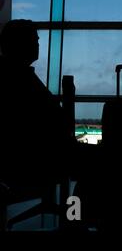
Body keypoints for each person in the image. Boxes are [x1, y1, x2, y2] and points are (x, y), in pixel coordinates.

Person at [0, 19, 75, 184]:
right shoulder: (20, 79)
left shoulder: (16, 75)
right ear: (18, 43)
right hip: (36, 163)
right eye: (34, 40)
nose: (38, 45)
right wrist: (69, 98)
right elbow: (58, 121)